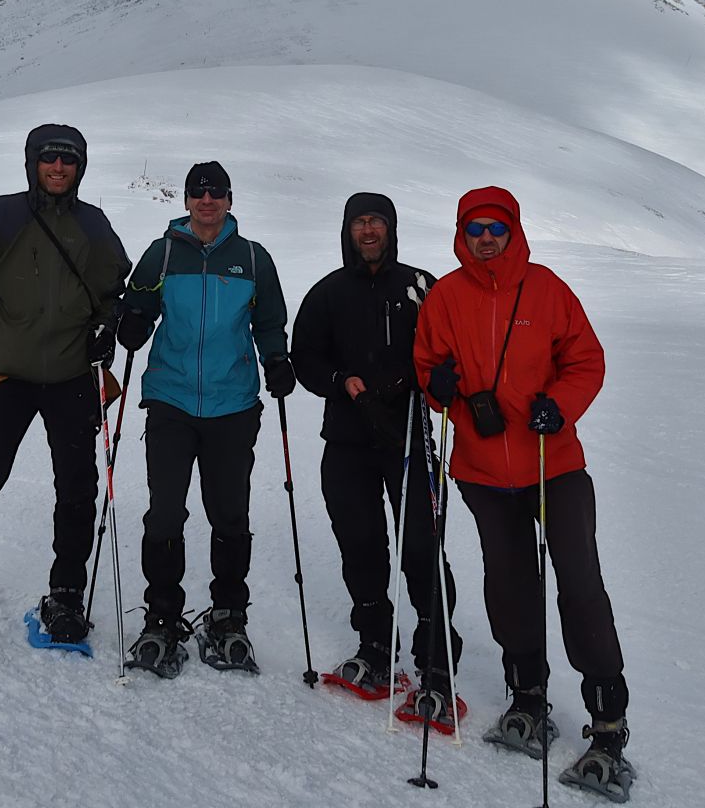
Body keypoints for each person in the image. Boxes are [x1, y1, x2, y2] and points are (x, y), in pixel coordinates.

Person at [414, 186, 633, 800]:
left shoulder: (547, 289)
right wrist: (442, 387)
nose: (486, 238)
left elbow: (586, 361)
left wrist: (557, 409)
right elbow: (428, 368)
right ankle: (528, 694)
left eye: (497, 227)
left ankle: (608, 717)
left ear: (513, 231)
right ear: (462, 232)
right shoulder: (446, 297)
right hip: (482, 471)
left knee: (580, 583)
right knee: (508, 583)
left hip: (552, 464)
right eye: (475, 227)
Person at [0, 124, 131, 654]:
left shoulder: (94, 225)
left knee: (78, 489)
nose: (59, 168)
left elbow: (113, 290)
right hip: (4, 375)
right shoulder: (3, 213)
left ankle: (65, 596)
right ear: (32, 162)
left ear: (81, 167)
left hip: (71, 375)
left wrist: (111, 324)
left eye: (69, 160)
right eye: (49, 159)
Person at [115, 160, 294, 677]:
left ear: (230, 200)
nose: (207, 200)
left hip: (232, 405)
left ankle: (228, 616)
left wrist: (277, 360)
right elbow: (140, 305)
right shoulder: (163, 252)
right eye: (199, 192)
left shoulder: (253, 259)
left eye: (216, 192)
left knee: (230, 515)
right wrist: (131, 324)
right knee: (165, 514)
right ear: (187, 199)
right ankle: (162, 616)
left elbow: (269, 319)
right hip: (171, 400)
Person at [291, 192, 463, 722]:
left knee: (420, 546)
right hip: (345, 439)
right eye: (359, 222)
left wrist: (415, 380)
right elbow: (305, 359)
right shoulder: (327, 292)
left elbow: (449, 352)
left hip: (409, 437)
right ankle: (375, 648)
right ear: (348, 230)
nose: (368, 231)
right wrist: (343, 382)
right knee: (360, 544)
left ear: (391, 229)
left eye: (377, 222)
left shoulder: (421, 286)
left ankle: (436, 663)